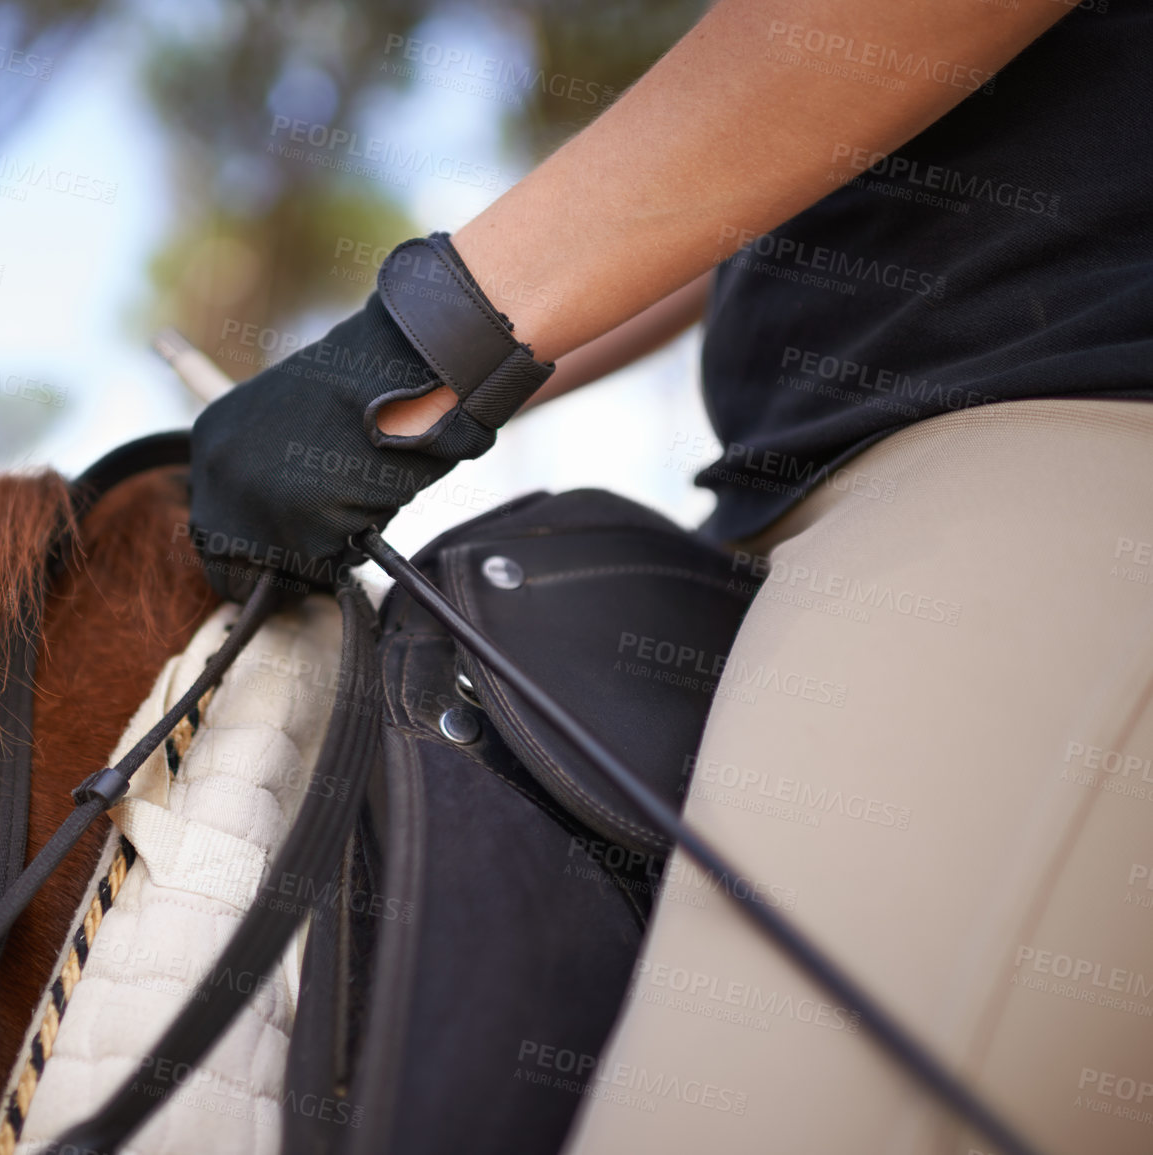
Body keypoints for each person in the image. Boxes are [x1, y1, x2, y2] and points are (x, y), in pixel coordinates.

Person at [188, 1, 1153, 1152]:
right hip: (760, 510)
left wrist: (413, 356)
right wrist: (388, 387)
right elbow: (757, 167)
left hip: (1054, 457)